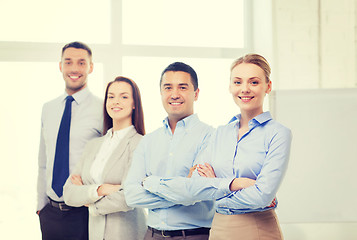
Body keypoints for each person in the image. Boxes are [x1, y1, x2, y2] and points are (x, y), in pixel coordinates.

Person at [142, 54, 292, 240]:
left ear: (268, 86)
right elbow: (195, 184)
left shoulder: (278, 134)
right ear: (230, 87)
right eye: (238, 82)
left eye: (253, 82)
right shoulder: (220, 133)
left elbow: (262, 196)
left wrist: (215, 190)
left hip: (258, 229)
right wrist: (233, 184)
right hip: (219, 229)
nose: (245, 89)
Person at [124, 62, 215, 240]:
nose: (174, 94)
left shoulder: (210, 136)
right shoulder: (148, 140)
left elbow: (194, 191)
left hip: (194, 235)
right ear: (161, 93)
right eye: (168, 87)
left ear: (196, 94)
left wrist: (149, 182)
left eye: (182, 87)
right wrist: (182, 191)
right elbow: (131, 196)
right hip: (152, 234)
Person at [63, 76, 147, 240]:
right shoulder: (93, 145)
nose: (116, 101)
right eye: (111, 96)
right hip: (95, 234)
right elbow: (68, 193)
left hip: (127, 234)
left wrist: (89, 200)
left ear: (134, 103)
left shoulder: (140, 144)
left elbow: (129, 197)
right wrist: (101, 189)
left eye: (124, 97)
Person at [37, 41, 103, 240]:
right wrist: (41, 206)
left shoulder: (103, 109)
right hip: (50, 213)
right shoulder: (48, 108)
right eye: (68, 62)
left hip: (84, 213)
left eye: (81, 63)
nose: (74, 69)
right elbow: (43, 162)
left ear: (91, 67)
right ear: (60, 66)